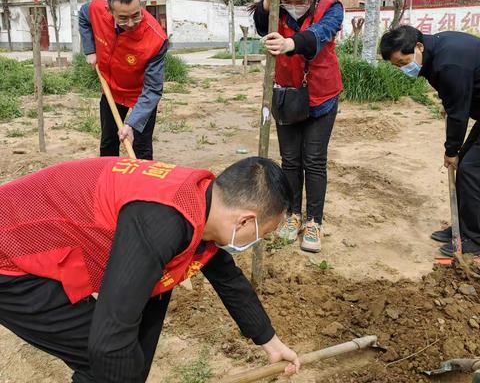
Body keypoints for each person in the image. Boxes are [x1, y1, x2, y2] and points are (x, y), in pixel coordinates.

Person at [0, 156, 300, 382]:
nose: (259, 241)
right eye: (263, 233)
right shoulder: (161, 224)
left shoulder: (202, 200)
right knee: (111, 360)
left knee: (132, 353)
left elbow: (225, 274)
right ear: (245, 221)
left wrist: (269, 341)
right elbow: (109, 339)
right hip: (10, 257)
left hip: (40, 238)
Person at [252, 0, 344, 253]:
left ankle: (314, 220)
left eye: (298, 1)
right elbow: (262, 26)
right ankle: (292, 215)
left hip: (321, 95)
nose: (292, 7)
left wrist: (290, 43)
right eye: (286, 1)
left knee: (314, 159)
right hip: (287, 93)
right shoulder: (276, 5)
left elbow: (319, 35)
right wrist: (268, 3)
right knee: (290, 160)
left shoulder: (332, 7)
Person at [379, 25, 480, 256]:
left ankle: (474, 239)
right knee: (465, 165)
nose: (403, 69)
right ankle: (462, 226)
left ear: (418, 47)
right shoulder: (434, 53)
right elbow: (454, 93)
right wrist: (449, 102)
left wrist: (451, 150)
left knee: (470, 169)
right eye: (397, 66)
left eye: (403, 62)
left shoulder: (449, 62)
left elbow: (458, 114)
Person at [79, 0, 168, 160]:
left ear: (140, 5)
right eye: (122, 18)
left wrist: (132, 123)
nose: (130, 23)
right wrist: (90, 50)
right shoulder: (97, 8)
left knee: (141, 149)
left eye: (136, 15)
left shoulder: (155, 39)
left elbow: (153, 89)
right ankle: (109, 183)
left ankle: (139, 186)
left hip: (140, 96)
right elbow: (83, 16)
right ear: (109, 11)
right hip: (111, 89)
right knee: (108, 144)